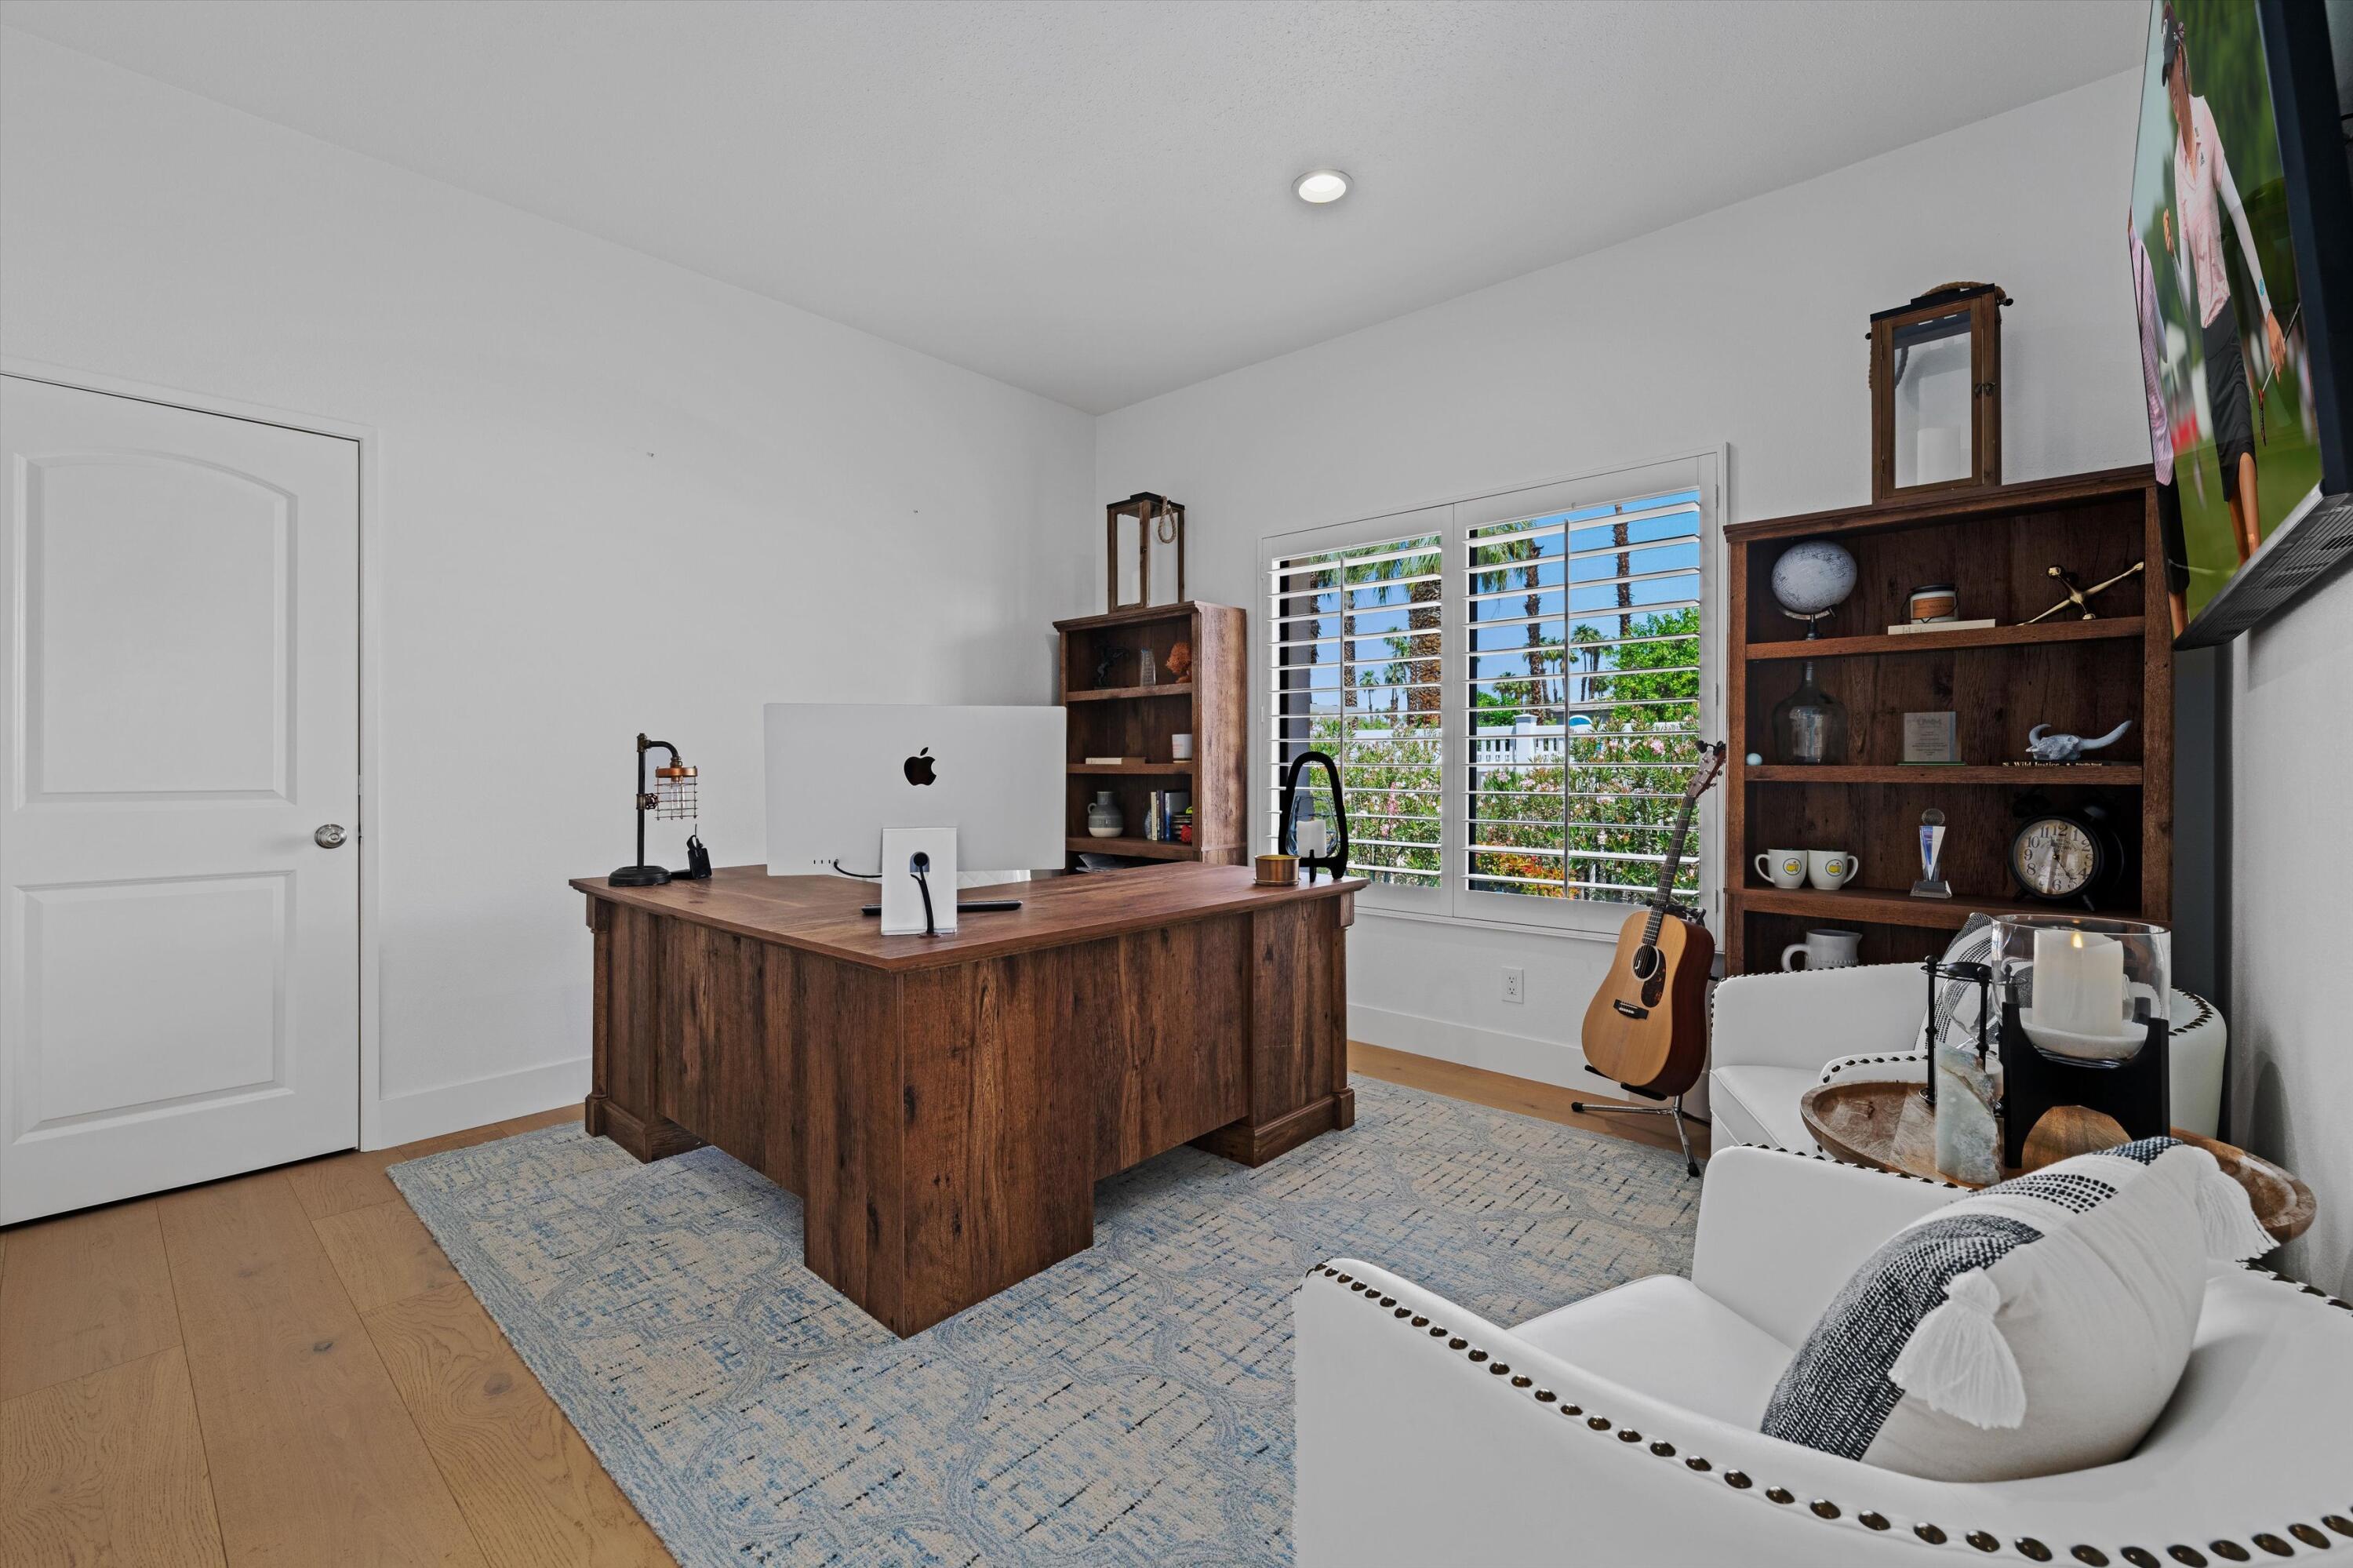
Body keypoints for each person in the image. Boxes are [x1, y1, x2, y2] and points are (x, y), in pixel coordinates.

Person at [2159, 1, 2289, 563]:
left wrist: (2266, 309)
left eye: (2176, 74)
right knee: (2223, 461)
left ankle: (2258, 548)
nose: (2173, 91)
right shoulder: (2172, 162)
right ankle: (2245, 559)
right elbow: (2187, 291)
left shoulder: (2206, 119)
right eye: (2166, 82)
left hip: (2229, 314)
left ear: (2185, 65)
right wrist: (2170, 253)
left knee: (2240, 430)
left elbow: (2236, 210)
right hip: (2203, 331)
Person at [2131, 222, 2191, 635]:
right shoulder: (2134, 255)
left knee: (2176, 576)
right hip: (2144, 453)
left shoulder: (2143, 256)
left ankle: (2182, 636)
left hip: (2160, 445)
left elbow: (2165, 347)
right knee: (2165, 579)